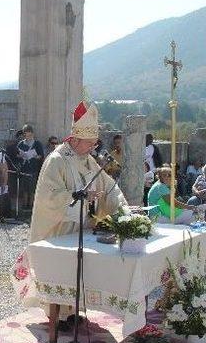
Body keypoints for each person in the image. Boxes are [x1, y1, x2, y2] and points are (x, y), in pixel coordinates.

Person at [12, 101, 128, 330]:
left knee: (78, 270)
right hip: (59, 229)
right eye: (89, 143)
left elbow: (109, 187)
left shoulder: (88, 159)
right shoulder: (57, 160)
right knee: (59, 272)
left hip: (80, 228)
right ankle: (57, 313)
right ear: (74, 140)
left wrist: (123, 210)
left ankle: (73, 310)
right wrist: (78, 196)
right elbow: (49, 196)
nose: (93, 148)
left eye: (95, 143)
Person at [17, 124, 44, 208]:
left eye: (29, 134)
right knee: (24, 189)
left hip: (33, 169)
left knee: (32, 189)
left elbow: (41, 155)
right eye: (25, 134)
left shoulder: (37, 143)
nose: (27, 136)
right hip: (24, 169)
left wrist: (35, 156)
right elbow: (17, 154)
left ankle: (31, 205)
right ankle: (25, 205)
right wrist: (21, 156)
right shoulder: (21, 144)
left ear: (32, 134)